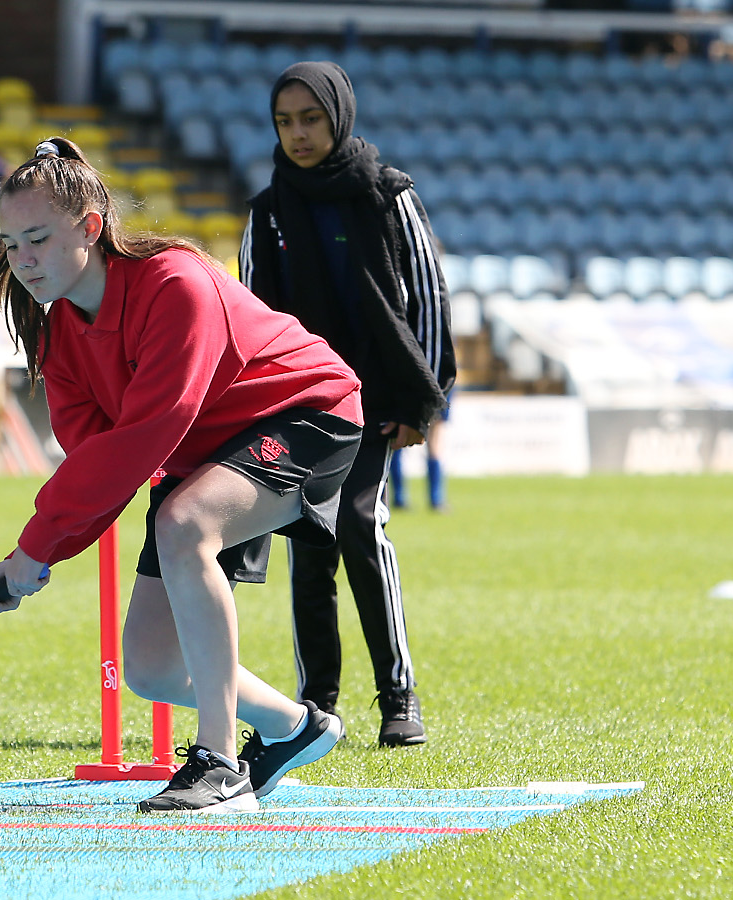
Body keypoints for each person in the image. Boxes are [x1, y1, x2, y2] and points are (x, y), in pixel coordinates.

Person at [0, 137, 365, 814]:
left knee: (186, 524)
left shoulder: (175, 283)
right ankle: (293, 727)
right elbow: (100, 464)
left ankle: (221, 764)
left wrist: (34, 549)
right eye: (12, 244)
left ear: (90, 227)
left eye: (37, 238)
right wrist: (32, 558)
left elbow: (149, 432)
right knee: (150, 665)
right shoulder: (60, 331)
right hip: (204, 452)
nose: (23, 260)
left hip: (309, 414)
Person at [238, 62, 455, 747]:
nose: (298, 134)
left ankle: (398, 697)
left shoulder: (391, 196)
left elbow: (428, 298)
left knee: (361, 527)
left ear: (339, 115)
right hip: (298, 406)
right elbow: (249, 314)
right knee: (310, 544)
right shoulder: (268, 210)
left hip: (376, 400)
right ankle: (316, 708)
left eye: (311, 118)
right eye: (284, 122)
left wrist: (422, 400)